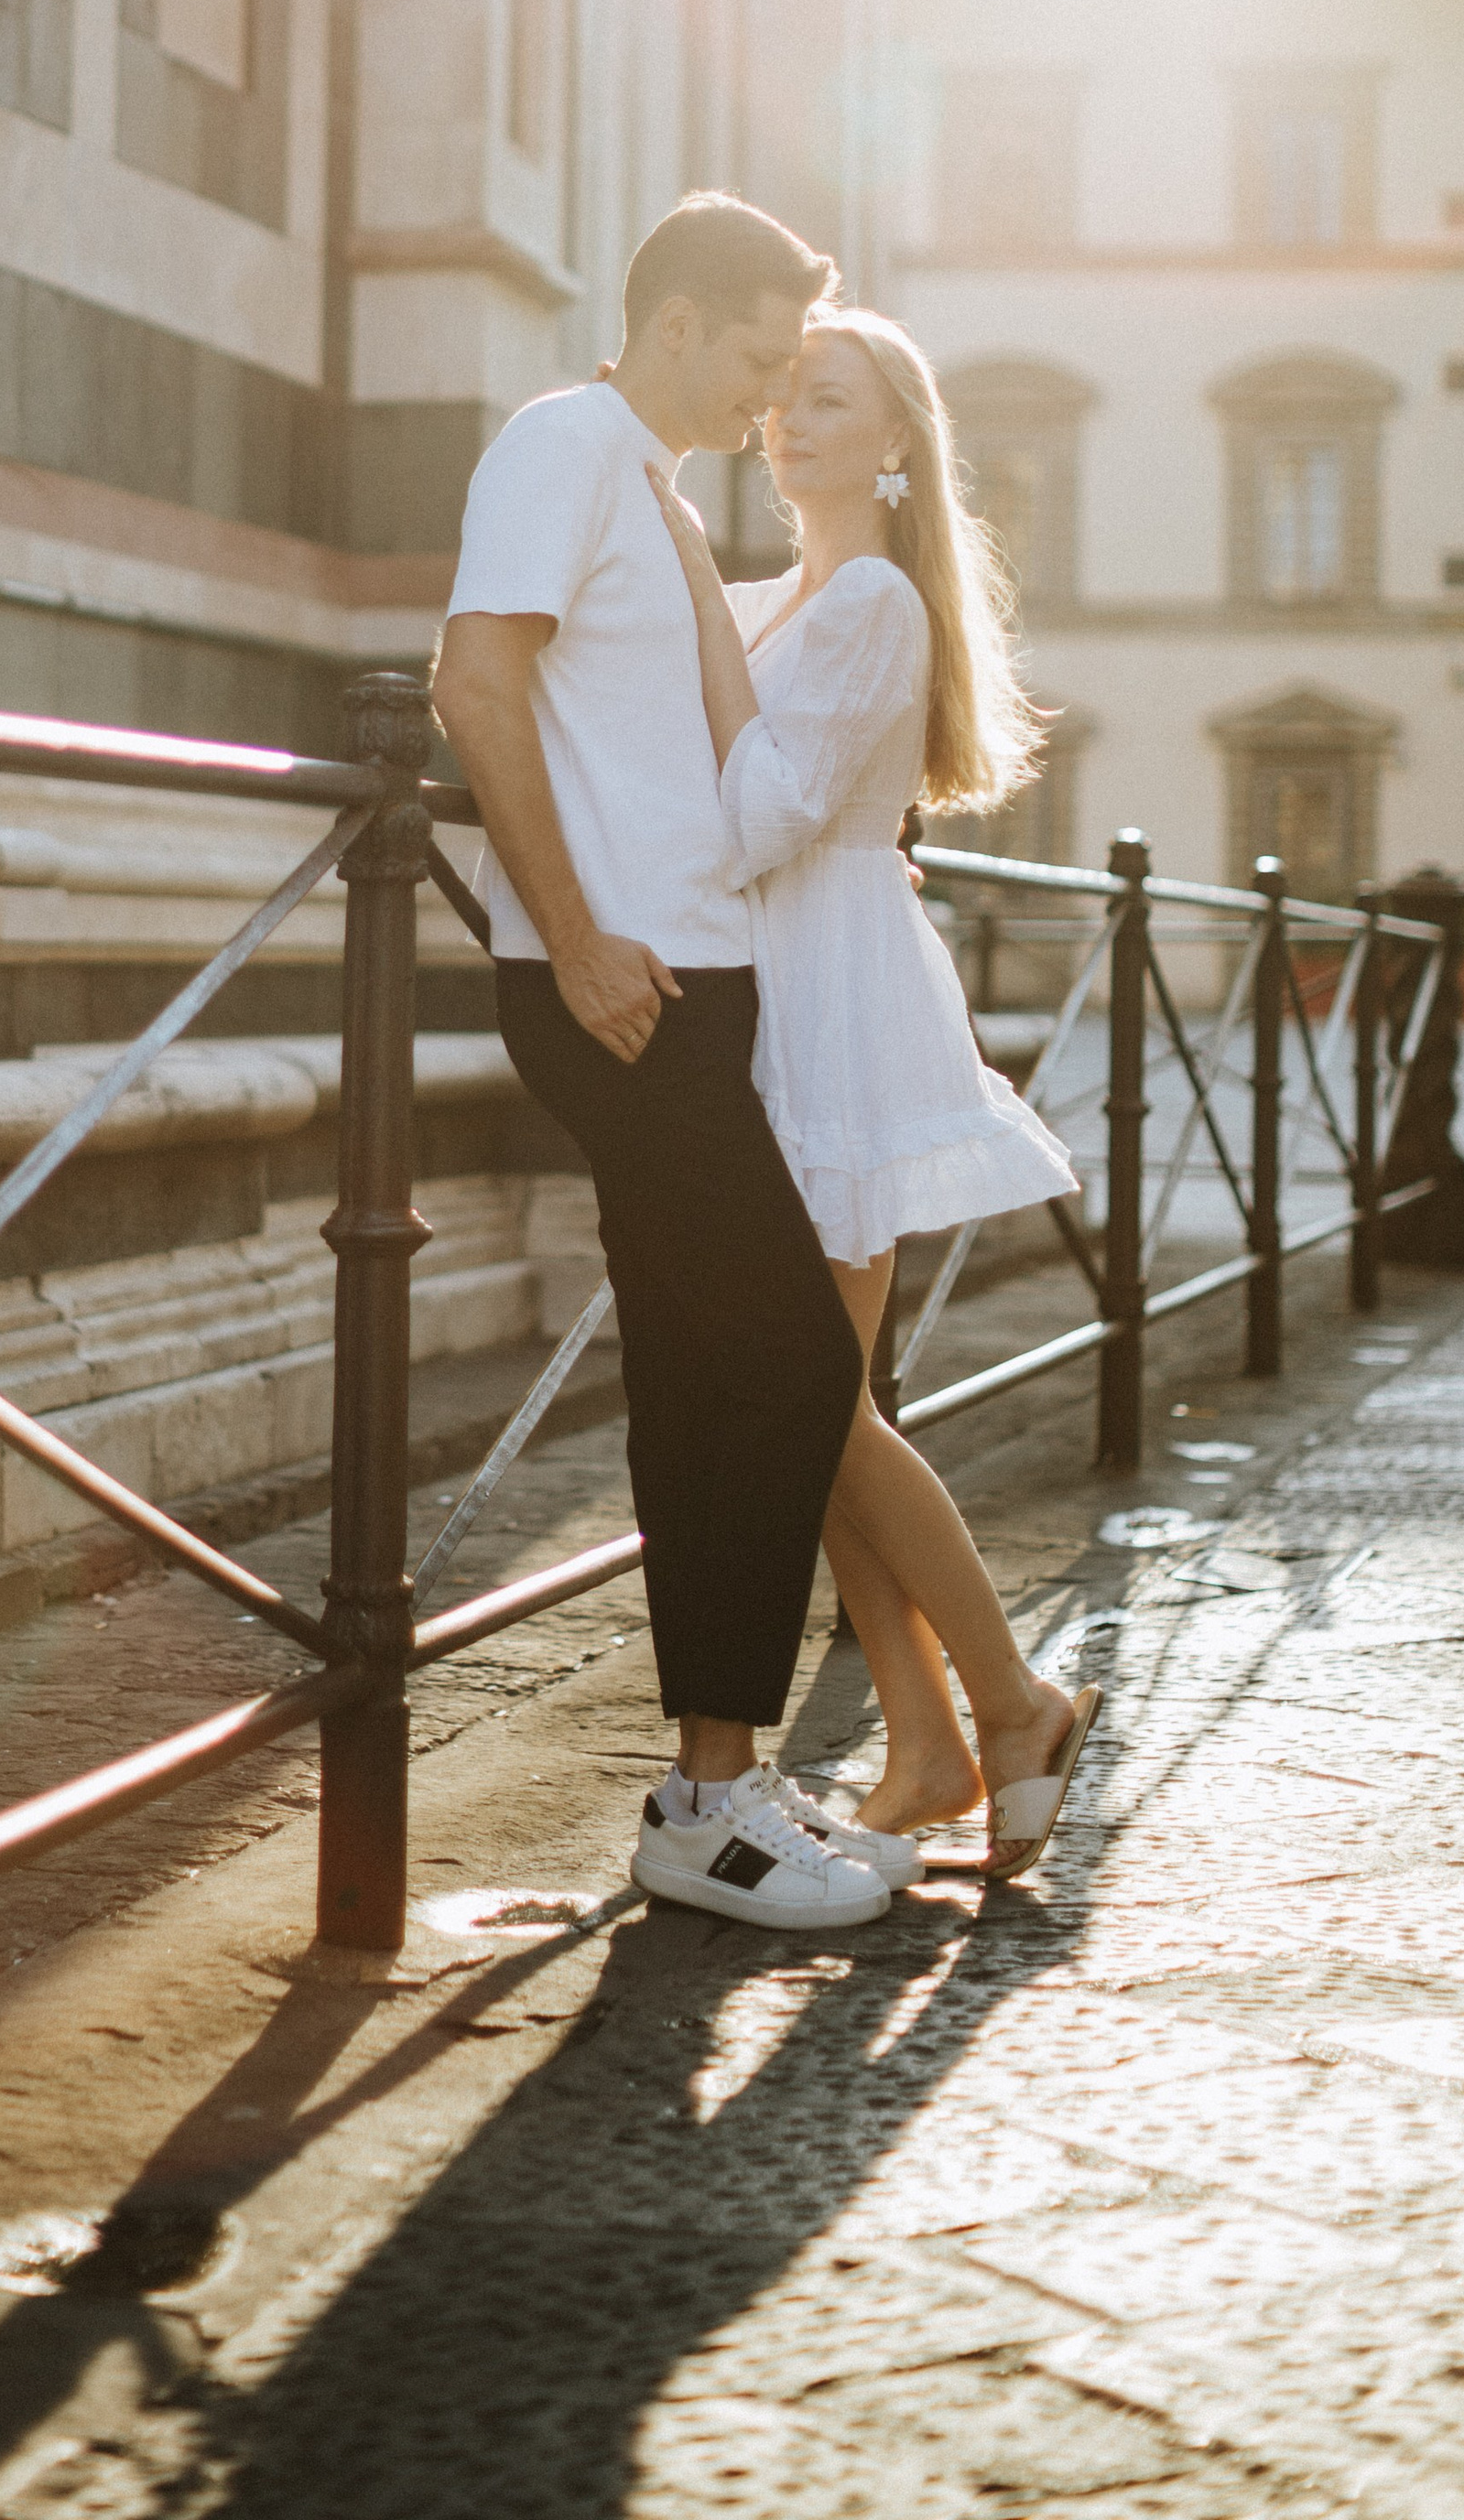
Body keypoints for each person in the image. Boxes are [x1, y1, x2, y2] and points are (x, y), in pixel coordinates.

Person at [431, 195, 896, 1933]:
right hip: (621, 991)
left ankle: (714, 1791)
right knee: (784, 1362)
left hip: (693, 983)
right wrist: (568, 932)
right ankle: (713, 1799)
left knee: (714, 1372)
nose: (772, 395)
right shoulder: (565, 444)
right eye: (762, 357)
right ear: (683, 325)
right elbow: (475, 688)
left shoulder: (649, 485)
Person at [643, 303, 1101, 1876]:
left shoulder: (875, 603)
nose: (788, 419)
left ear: (900, 440)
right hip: (774, 1000)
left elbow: (762, 816)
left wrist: (699, 596)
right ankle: (929, 1733)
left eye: (826, 398)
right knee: (804, 1410)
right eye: (780, 396)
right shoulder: (792, 600)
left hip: (835, 1004)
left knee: (813, 1408)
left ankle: (1010, 1699)